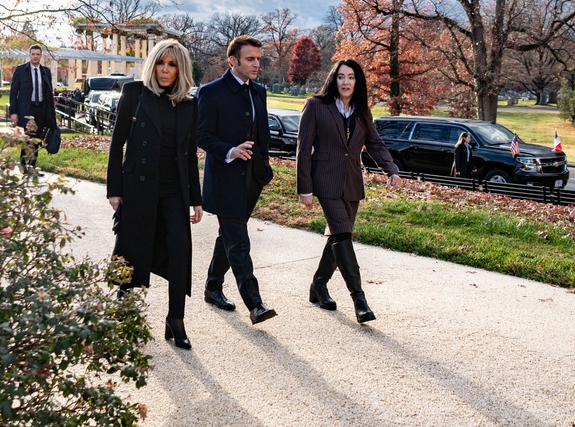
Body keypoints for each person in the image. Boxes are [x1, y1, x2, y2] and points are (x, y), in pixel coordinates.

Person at [107, 39, 203, 350]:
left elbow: (189, 154)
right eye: (161, 62)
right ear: (153, 64)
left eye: (172, 64)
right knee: (132, 250)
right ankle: (122, 313)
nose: (165, 70)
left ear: (181, 69)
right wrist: (115, 189)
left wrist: (196, 198)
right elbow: (117, 143)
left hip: (174, 188)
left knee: (179, 249)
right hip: (139, 184)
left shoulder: (188, 103)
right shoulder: (134, 93)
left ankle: (175, 319)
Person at [296, 59, 402, 324]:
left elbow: (375, 144)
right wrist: (304, 188)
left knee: (338, 237)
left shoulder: (361, 111)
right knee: (342, 234)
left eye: (351, 77)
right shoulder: (316, 106)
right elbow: (303, 149)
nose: (346, 82)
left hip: (352, 183)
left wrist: (391, 169)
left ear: (358, 81)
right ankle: (359, 299)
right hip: (325, 182)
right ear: (334, 79)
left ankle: (318, 286)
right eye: (341, 77)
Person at [198, 35, 278, 326]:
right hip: (225, 178)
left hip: (252, 179)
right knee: (239, 241)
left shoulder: (260, 91)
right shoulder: (211, 92)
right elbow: (202, 135)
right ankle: (255, 304)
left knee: (229, 237)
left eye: (258, 58)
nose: (257, 64)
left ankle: (212, 286)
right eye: (250, 59)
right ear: (233, 60)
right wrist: (230, 151)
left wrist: (264, 167)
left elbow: (263, 135)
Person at [8, 44, 55, 172]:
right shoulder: (20, 70)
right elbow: (13, 92)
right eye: (33, 54)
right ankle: (23, 163)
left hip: (41, 109)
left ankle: (32, 166)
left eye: (37, 54)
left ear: (41, 56)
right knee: (28, 137)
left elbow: (49, 92)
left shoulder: (46, 71)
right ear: (29, 55)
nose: (35, 56)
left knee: (37, 139)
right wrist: (13, 112)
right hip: (26, 109)